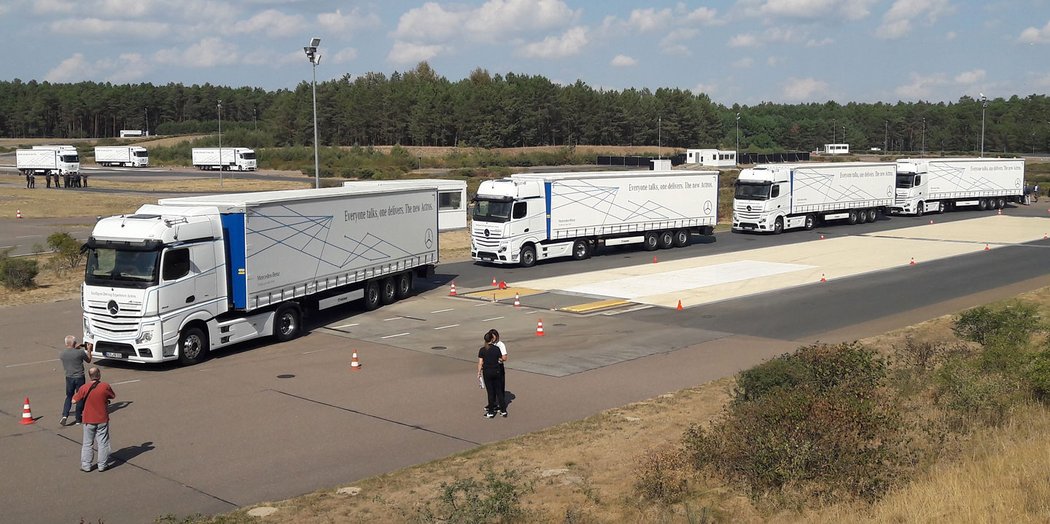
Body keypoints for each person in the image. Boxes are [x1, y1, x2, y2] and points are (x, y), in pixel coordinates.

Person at [72, 367, 116, 472]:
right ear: (99, 375)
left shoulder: (84, 387)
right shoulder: (105, 386)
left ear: (89, 376)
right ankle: (102, 465)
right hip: (102, 418)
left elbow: (74, 401)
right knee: (103, 443)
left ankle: (86, 465)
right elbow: (112, 396)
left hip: (88, 419)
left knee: (87, 443)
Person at [59, 335, 92, 425]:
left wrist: (76, 347)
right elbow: (88, 360)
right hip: (79, 377)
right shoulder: (80, 352)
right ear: (74, 343)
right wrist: (88, 350)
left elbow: (71, 353)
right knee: (80, 396)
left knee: (69, 396)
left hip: (69, 377)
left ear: (66, 343)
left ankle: (65, 415)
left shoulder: (62, 354)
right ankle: (78, 418)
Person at [477, 332, 506, 418]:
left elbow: (480, 363)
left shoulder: (482, 350)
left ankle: (491, 411)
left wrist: (479, 372)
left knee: (490, 392)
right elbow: (501, 358)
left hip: (487, 372)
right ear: (492, 339)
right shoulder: (496, 349)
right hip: (496, 371)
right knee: (499, 391)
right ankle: (503, 410)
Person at [486, 329, 508, 410]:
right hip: (489, 367)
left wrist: (497, 359)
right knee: (490, 388)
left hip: (498, 367)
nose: (493, 339)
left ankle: (501, 405)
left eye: (494, 337)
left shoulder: (500, 344)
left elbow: (504, 357)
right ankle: (492, 403)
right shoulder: (488, 345)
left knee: (500, 387)